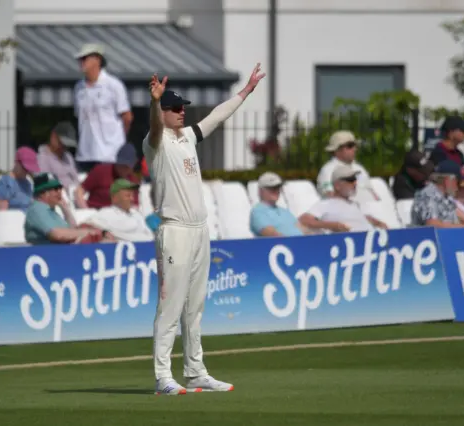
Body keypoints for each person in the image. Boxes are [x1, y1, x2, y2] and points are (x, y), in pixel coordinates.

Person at [143, 63, 265, 395]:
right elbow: (155, 127)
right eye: (175, 109)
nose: (182, 113)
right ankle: (163, 377)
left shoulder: (188, 138)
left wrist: (247, 90)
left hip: (199, 231)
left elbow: (217, 116)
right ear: (164, 112)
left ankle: (196, 372)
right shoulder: (156, 142)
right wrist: (155, 103)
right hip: (175, 232)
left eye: (183, 108)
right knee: (170, 306)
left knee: (194, 307)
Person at [73, 43, 133, 172]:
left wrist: (117, 140)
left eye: (85, 58)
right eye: (80, 59)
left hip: (109, 155)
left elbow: (127, 117)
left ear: (98, 59)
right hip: (85, 155)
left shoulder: (114, 85)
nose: (81, 62)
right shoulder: (78, 88)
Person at [299, 165, 388, 233]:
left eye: (355, 179)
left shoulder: (354, 204)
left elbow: (356, 216)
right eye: (350, 180)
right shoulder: (326, 204)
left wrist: (377, 222)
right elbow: (303, 220)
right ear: (337, 185)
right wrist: (332, 225)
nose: (355, 183)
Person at [24, 173, 104, 245]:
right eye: (55, 189)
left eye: (60, 188)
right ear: (43, 193)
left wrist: (65, 209)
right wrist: (89, 232)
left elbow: (72, 230)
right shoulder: (37, 209)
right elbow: (57, 235)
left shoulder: (51, 211)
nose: (60, 192)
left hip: (61, 253)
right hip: (47, 255)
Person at [83, 179, 154, 242]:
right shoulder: (106, 213)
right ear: (114, 198)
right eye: (128, 195)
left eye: (132, 195)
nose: (132, 199)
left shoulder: (137, 214)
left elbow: (150, 234)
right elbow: (86, 226)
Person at [411, 160, 464, 228]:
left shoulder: (446, 198)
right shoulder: (428, 195)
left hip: (447, 236)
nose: (458, 187)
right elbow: (433, 225)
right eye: (458, 182)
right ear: (448, 180)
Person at [249, 172, 308, 237]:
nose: (276, 190)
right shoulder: (258, 212)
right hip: (282, 245)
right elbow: (273, 235)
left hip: (300, 244)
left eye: (278, 187)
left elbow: (303, 230)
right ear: (260, 191)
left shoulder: (285, 211)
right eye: (271, 188)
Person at [0, 147, 40, 211]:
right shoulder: (5, 182)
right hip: (15, 219)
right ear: (16, 162)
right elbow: (2, 213)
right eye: (25, 168)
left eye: (29, 169)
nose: (27, 171)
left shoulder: (27, 183)